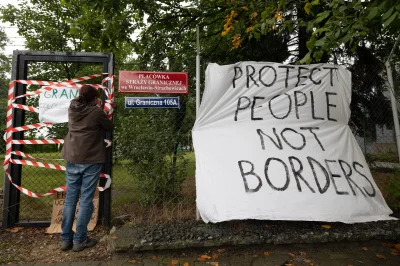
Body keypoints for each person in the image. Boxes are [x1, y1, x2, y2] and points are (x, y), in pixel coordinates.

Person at [60, 84, 114, 252]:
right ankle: (80, 240)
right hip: (91, 158)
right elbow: (109, 127)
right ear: (94, 98)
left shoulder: (72, 108)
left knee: (70, 198)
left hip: (72, 157)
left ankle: (65, 239)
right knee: (85, 199)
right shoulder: (96, 111)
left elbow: (81, 103)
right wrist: (100, 108)